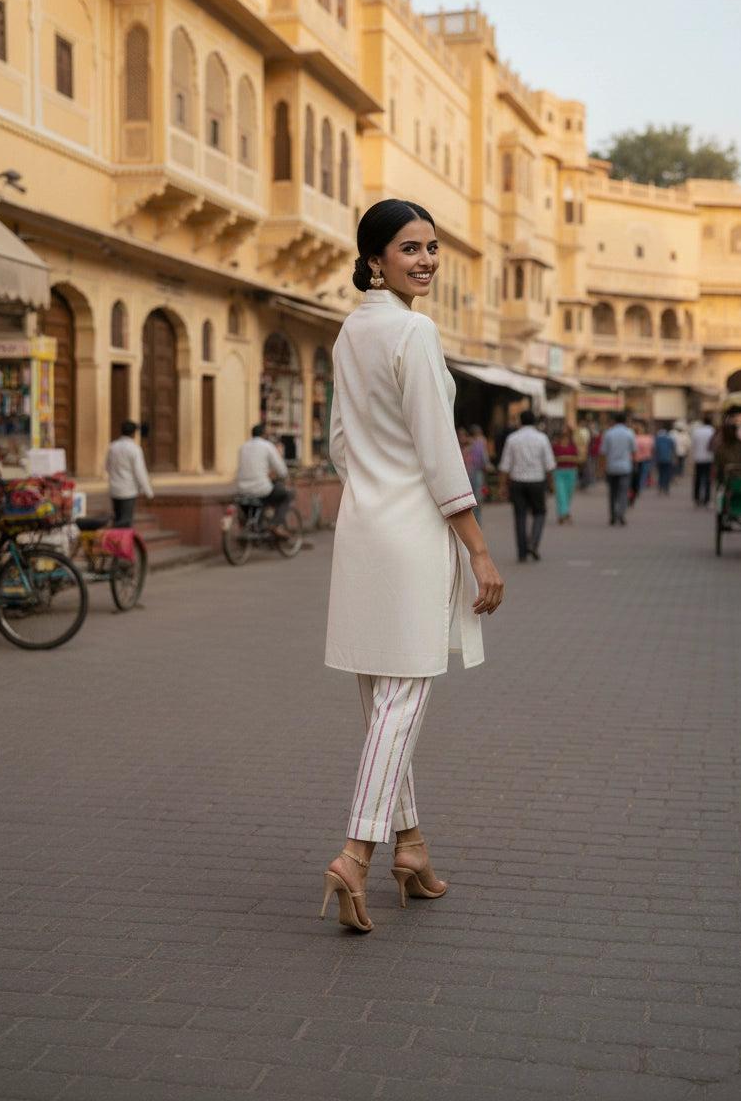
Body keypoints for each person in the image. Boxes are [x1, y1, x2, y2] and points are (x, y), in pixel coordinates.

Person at [322, 199, 504, 933]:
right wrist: (479, 547)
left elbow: (340, 443)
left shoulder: (351, 330)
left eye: (431, 247)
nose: (425, 259)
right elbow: (438, 449)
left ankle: (412, 851)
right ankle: (355, 855)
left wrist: (373, 483)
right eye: (409, 248)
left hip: (362, 531)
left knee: (380, 710)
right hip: (412, 539)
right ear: (374, 260)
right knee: (400, 706)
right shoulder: (413, 330)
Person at [497, 409, 556, 560]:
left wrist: (502, 486)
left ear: (520, 422)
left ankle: (522, 552)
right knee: (540, 512)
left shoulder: (512, 438)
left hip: (517, 482)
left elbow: (505, 465)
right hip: (537, 481)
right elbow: (549, 464)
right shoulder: (542, 438)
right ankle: (533, 542)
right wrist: (551, 483)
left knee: (520, 516)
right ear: (535, 422)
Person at [236, 423, 293, 537]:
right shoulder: (267, 446)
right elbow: (281, 469)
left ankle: (260, 523)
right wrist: (284, 475)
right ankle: (275, 524)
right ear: (264, 434)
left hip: (243, 489)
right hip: (261, 489)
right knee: (288, 494)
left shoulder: (243, 447)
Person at [104, 420, 153, 527]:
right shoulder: (135, 449)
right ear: (134, 433)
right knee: (126, 521)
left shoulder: (112, 446)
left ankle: (115, 541)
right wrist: (148, 491)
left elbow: (107, 467)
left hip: (115, 489)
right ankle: (123, 542)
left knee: (117, 519)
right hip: (128, 490)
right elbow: (140, 472)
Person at [599, 411, 637, 525]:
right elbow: (634, 451)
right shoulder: (629, 433)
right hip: (625, 467)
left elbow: (603, 452)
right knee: (623, 492)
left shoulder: (608, 433)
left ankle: (613, 515)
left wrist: (601, 468)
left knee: (612, 493)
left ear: (614, 420)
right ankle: (621, 513)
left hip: (611, 467)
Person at [552, 423, 579, 523]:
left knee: (568, 493)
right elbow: (552, 459)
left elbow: (577, 457)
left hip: (571, 471)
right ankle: (562, 513)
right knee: (560, 493)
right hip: (559, 471)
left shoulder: (573, 446)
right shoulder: (556, 446)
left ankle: (565, 511)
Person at [691, 415, 716, 507]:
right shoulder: (712, 431)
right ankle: (707, 499)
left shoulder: (697, 431)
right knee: (707, 480)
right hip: (709, 458)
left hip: (698, 458)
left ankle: (697, 498)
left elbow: (693, 445)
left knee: (698, 479)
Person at [653, 424, 676, 494]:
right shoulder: (670, 438)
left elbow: (655, 449)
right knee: (667, 473)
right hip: (668, 458)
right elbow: (673, 449)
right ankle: (666, 487)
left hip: (659, 458)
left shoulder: (657, 438)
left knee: (660, 473)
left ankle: (660, 486)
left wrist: (654, 459)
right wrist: (674, 458)